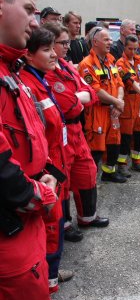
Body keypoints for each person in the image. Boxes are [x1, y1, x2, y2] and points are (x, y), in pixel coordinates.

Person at [0, 0, 59, 300]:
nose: (35, 22)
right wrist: (34, 190)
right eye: (29, 9)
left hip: (26, 218)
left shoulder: (10, 68)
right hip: (13, 221)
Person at [20, 27, 71, 300]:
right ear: (28, 54)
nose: (54, 54)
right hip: (42, 173)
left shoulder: (40, 80)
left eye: (56, 47)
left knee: (56, 231)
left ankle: (53, 278)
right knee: (47, 237)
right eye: (47, 49)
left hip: (53, 166)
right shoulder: (26, 85)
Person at [43, 22, 109, 235]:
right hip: (58, 135)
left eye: (68, 42)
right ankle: (65, 224)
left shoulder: (67, 66)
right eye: (63, 43)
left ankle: (87, 217)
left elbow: (90, 93)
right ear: (50, 44)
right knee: (63, 180)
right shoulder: (47, 72)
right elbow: (68, 106)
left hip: (76, 132)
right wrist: (80, 98)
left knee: (87, 172)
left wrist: (78, 98)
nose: (67, 47)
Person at [78, 26, 127, 182]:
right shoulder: (86, 64)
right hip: (97, 112)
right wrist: (117, 103)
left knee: (114, 144)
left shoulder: (111, 61)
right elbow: (95, 91)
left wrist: (118, 103)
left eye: (110, 39)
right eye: (106, 39)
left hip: (113, 111)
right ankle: (90, 179)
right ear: (95, 42)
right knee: (96, 148)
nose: (110, 42)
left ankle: (109, 173)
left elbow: (120, 83)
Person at [116, 34, 140, 176]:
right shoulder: (120, 63)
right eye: (130, 49)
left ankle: (136, 162)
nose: (132, 52)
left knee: (139, 134)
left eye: (135, 49)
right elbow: (130, 81)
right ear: (124, 47)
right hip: (128, 102)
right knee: (125, 136)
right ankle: (122, 164)